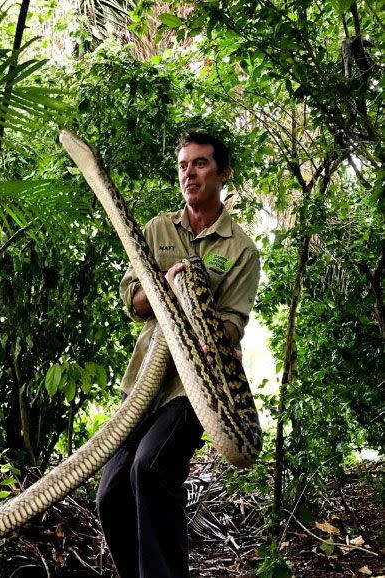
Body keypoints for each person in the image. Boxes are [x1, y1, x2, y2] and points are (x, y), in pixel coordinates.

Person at [96, 131, 260, 578]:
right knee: (111, 491)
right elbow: (132, 298)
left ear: (223, 173)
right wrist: (163, 287)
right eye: (184, 165)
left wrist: (210, 327)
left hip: (198, 388)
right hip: (145, 379)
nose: (190, 173)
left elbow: (232, 323)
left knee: (150, 470)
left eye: (201, 164)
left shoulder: (240, 248)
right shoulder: (157, 229)